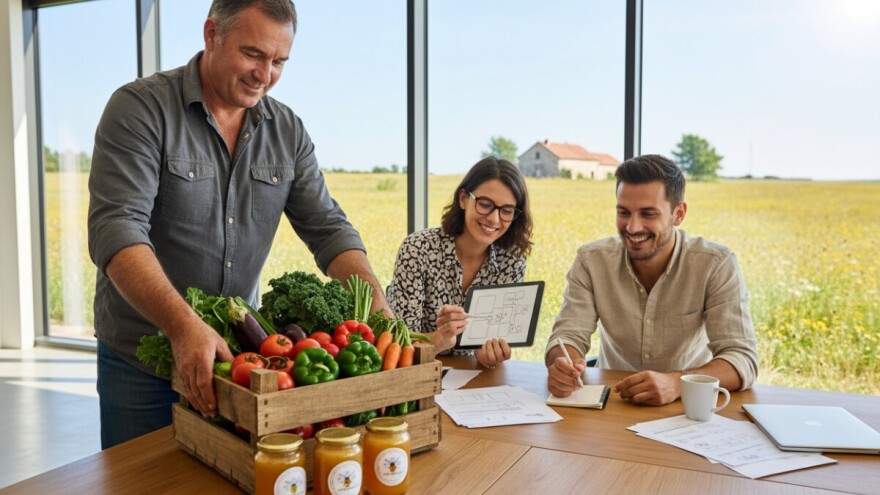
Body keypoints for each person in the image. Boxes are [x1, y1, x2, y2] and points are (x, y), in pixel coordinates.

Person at [87, 0, 389, 449]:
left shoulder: (287, 131)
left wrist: (374, 301)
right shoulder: (140, 109)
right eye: (253, 54)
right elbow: (117, 229)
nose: (264, 74)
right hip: (142, 362)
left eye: (279, 61)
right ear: (212, 34)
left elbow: (327, 227)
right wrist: (184, 326)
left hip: (239, 362)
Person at [545, 154, 758, 406]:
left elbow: (741, 358)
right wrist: (562, 364)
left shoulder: (716, 264)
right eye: (624, 212)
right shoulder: (591, 261)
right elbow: (567, 336)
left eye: (648, 214)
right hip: (613, 403)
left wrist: (677, 383)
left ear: (679, 214)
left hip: (684, 407)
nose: (633, 227)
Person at [386, 157, 534, 368]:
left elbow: (491, 345)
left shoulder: (511, 263)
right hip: (418, 376)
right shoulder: (418, 249)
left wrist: (489, 356)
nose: (494, 219)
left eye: (506, 210)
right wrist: (440, 338)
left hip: (472, 383)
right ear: (463, 198)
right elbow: (400, 343)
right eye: (485, 204)